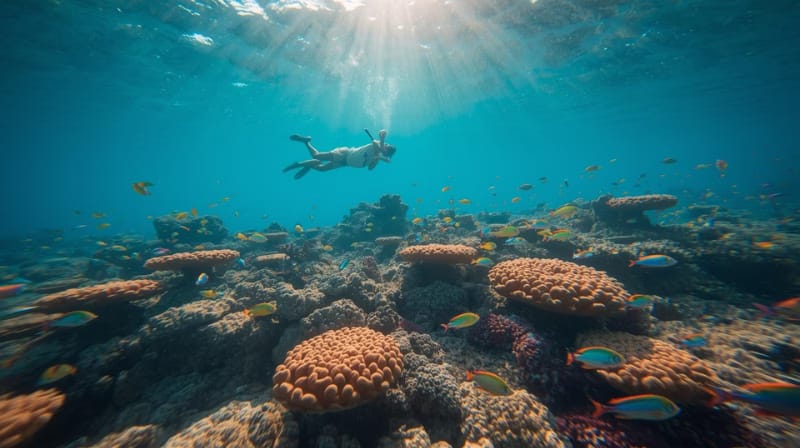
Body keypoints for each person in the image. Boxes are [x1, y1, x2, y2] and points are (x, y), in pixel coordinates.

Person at [283, 129, 396, 179]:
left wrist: (378, 158)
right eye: (386, 146)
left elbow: (370, 168)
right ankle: (299, 163)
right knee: (317, 156)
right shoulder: (377, 143)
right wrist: (382, 139)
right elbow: (377, 146)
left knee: (321, 169)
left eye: (386, 152)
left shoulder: (377, 157)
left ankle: (307, 148)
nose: (385, 148)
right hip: (345, 153)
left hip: (345, 163)